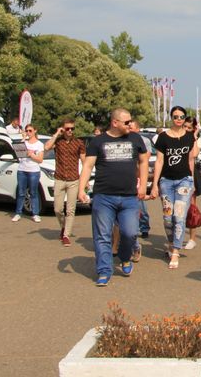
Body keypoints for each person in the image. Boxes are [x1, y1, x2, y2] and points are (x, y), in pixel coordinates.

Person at [77, 108, 148, 286]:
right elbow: (87, 166)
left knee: (130, 233)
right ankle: (104, 271)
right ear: (114, 123)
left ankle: (125, 257)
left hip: (129, 197)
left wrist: (144, 185)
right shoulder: (98, 141)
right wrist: (81, 189)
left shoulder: (135, 138)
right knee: (102, 236)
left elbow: (144, 161)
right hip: (103, 196)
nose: (130, 125)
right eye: (126, 122)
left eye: (131, 121)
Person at [151, 107, 197, 269]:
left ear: (185, 119)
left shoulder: (190, 137)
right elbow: (159, 161)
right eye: (176, 116)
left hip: (184, 180)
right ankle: (171, 244)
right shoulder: (163, 137)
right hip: (166, 181)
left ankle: (176, 250)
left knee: (179, 215)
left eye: (181, 116)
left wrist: (192, 181)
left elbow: (191, 159)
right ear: (171, 118)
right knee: (168, 217)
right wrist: (155, 185)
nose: (179, 119)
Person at [44, 118, 86, 246]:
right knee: (57, 209)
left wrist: (85, 179)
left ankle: (66, 235)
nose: (70, 131)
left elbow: (85, 162)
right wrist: (57, 134)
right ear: (63, 129)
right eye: (67, 128)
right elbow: (46, 147)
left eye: (72, 129)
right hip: (60, 179)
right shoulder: (58, 141)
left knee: (71, 209)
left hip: (74, 179)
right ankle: (63, 226)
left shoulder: (79, 143)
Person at [12, 124, 44, 223]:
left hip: (33, 171)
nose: (28, 133)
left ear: (35, 131)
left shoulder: (39, 144)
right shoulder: (24, 142)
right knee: (21, 192)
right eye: (27, 131)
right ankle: (18, 213)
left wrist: (31, 155)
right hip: (22, 170)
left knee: (33, 193)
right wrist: (23, 139)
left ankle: (35, 214)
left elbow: (40, 159)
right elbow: (17, 153)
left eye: (30, 131)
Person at [129, 120, 153, 239]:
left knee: (141, 203)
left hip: (140, 174)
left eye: (132, 128)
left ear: (138, 129)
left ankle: (144, 227)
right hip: (128, 175)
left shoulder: (145, 141)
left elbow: (145, 158)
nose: (130, 129)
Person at [188, 117, 201, 247]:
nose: (186, 130)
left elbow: (194, 154)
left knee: (191, 208)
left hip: (191, 173)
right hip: (174, 174)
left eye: (189, 128)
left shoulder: (196, 140)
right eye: (185, 127)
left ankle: (192, 238)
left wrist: (194, 136)